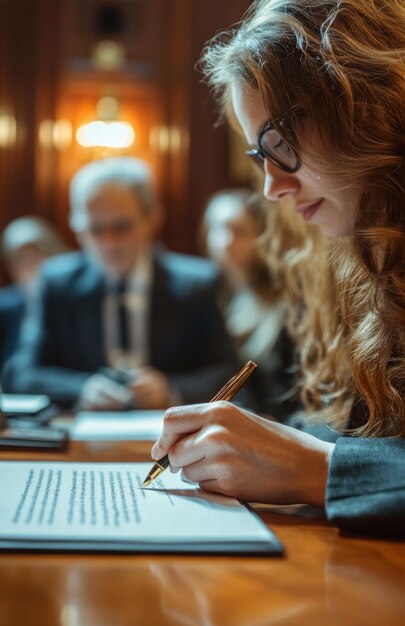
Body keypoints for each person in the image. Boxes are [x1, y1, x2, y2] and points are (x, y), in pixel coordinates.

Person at [150, 0, 405, 536]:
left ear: (365, 104)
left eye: (280, 143)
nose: (271, 186)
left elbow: (334, 457)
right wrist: (258, 444)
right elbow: (362, 435)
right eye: (258, 155)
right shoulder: (363, 258)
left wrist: (315, 468)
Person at [2, 157, 236, 410]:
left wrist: (172, 389)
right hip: (85, 441)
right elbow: (20, 373)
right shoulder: (57, 282)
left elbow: (229, 372)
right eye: (95, 229)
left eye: (121, 227)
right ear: (76, 226)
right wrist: (81, 389)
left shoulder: (197, 284)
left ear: (153, 218)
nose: (109, 243)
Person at [201, 188, 296, 416]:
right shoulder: (205, 293)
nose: (226, 241)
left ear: (261, 237)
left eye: (239, 231)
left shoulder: (282, 301)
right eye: (218, 228)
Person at [0, 217, 68, 369]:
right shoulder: (3, 307)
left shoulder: (73, 302)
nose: (29, 267)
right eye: (20, 260)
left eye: (35, 257)